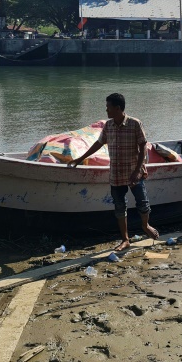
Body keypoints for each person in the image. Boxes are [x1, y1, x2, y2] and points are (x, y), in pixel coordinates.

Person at [69, 93, 159, 251]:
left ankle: (145, 226)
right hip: (116, 173)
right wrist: (79, 159)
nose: (106, 110)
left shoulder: (135, 123)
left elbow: (143, 146)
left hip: (134, 172)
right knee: (119, 206)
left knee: (143, 204)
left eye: (108, 107)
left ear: (117, 108)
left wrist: (138, 170)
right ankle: (125, 239)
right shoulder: (108, 125)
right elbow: (98, 144)